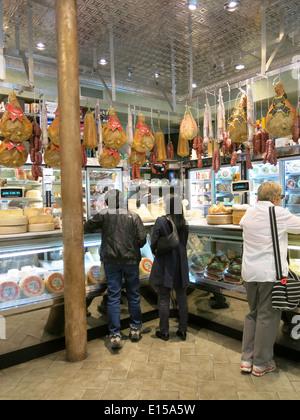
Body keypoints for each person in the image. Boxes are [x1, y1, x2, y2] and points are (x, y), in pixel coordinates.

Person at [240, 181, 300, 377]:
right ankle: (261, 363)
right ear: (275, 198)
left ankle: (246, 359)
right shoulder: (279, 214)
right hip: (269, 274)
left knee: (253, 314)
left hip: (249, 274)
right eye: (281, 198)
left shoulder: (249, 212)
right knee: (267, 317)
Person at [84, 189, 147, 350]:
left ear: (106, 203)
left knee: (113, 296)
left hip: (111, 260)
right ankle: (135, 329)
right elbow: (141, 240)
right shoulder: (134, 216)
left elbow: (87, 227)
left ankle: (114, 335)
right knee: (133, 295)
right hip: (131, 260)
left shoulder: (104, 214)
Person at [149, 193, 189, 341]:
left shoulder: (161, 221)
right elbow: (183, 242)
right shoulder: (184, 223)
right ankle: (183, 330)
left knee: (164, 298)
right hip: (181, 264)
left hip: (165, 264)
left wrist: (156, 251)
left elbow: (153, 244)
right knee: (182, 298)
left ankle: (164, 331)